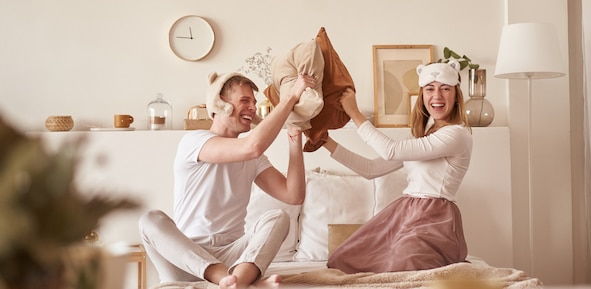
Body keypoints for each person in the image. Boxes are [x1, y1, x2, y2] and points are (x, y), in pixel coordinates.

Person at [139, 71, 317, 289]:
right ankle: (229, 279)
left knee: (278, 218)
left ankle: (235, 282)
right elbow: (251, 146)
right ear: (220, 103)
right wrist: (290, 97)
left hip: (234, 256)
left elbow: (294, 195)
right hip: (188, 260)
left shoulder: (254, 157)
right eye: (244, 100)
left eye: (253, 102)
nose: (252, 107)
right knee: (150, 219)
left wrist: (294, 138)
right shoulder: (195, 141)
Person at [322, 59, 472, 273]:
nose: (437, 96)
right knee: (345, 257)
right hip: (406, 213)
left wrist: (355, 114)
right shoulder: (426, 136)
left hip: (435, 219)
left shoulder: (457, 134)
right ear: (422, 95)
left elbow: (391, 150)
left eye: (445, 89)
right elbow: (371, 169)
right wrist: (326, 142)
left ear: (456, 95)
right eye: (430, 89)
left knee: (405, 264)